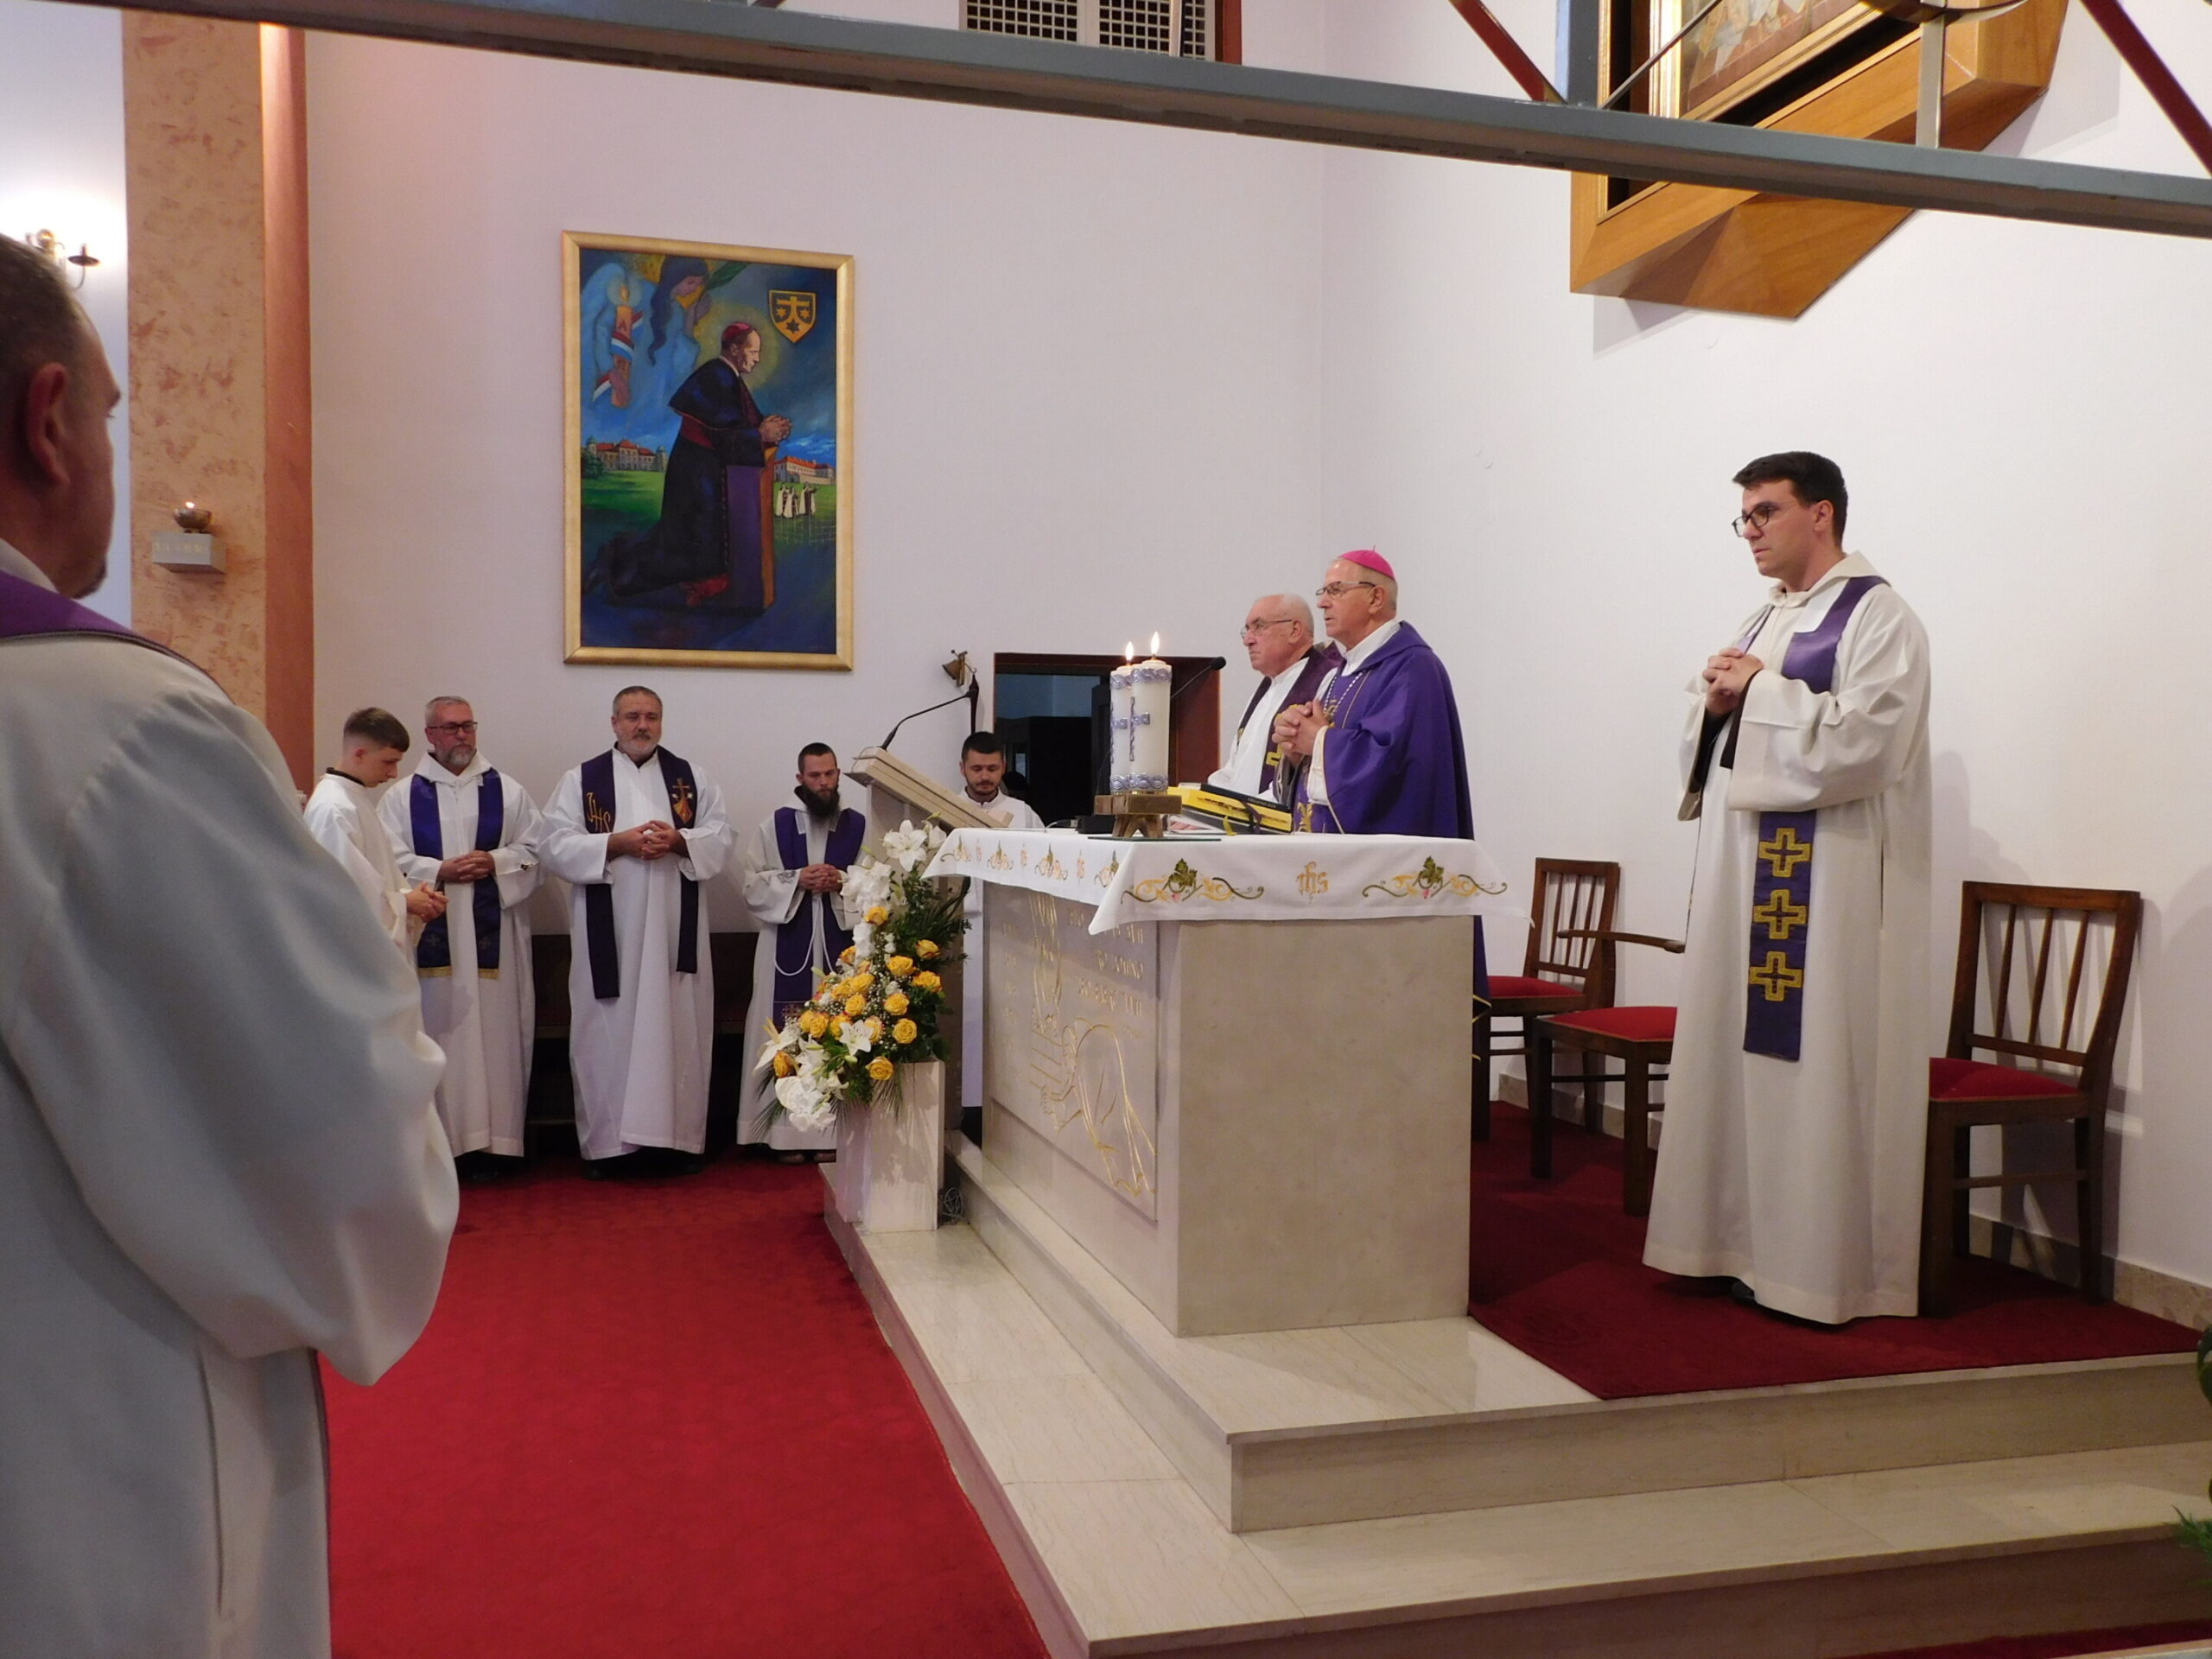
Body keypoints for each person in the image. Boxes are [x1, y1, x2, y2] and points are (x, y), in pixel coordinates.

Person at [0, 232, 454, 1656]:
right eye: (113, 416)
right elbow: (343, 1176)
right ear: (48, 422)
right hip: (78, 1468)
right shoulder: (109, 730)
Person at [1643, 451, 1932, 1326]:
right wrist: (1715, 703)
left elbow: (1868, 744)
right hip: (1748, 880)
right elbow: (1717, 735)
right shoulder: (1766, 615)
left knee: (1817, 1069)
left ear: (1822, 513)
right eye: (1744, 517)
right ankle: (1735, 1245)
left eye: (1765, 512)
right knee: (1734, 1058)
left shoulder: (1880, 617)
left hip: (1831, 882)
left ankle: (1815, 1272)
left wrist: (1760, 690)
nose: (1751, 532)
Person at [538, 685, 734, 1176]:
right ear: (614, 723)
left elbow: (721, 837)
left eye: (651, 716)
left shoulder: (692, 779)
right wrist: (615, 843)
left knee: (678, 1027)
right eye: (632, 716)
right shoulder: (581, 780)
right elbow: (553, 845)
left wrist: (680, 841)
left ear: (661, 721)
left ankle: (677, 1141)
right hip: (612, 937)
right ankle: (609, 1147)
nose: (642, 725)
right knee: (607, 1030)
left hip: (673, 938)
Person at [379, 696, 545, 1168]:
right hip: (432, 941)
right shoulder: (401, 797)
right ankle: (445, 1149)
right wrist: (439, 870)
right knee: (439, 1032)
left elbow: (538, 851)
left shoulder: (508, 792)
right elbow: (386, 861)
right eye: (450, 728)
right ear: (429, 734)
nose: (461, 735)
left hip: (497, 945)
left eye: (468, 726)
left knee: (497, 1034)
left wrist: (495, 861)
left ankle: (499, 1143)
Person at [592, 319, 791, 613]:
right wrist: (760, 435)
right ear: (735, 350)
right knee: (681, 546)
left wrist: (767, 429)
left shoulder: (729, 377)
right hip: (697, 474)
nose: (757, 359)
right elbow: (721, 436)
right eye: (753, 352)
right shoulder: (715, 376)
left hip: (707, 471)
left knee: (692, 542)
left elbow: (738, 424)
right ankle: (616, 568)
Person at [1274, 550, 1473, 838]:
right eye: (1323, 591)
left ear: (1375, 598)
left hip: (1387, 855)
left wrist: (1318, 741)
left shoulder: (1412, 668)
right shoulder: (1337, 675)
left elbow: (1392, 765)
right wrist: (1297, 749)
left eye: (1336, 590)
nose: (1322, 602)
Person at [740, 743, 869, 1160]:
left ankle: (833, 1136)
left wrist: (842, 881)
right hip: (786, 949)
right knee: (784, 1035)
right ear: (800, 779)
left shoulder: (859, 826)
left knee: (838, 1033)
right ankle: (784, 1136)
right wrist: (796, 879)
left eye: (830, 774)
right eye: (815, 776)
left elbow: (878, 883)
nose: (823, 783)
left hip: (841, 953)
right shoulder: (774, 826)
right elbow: (752, 885)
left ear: (838, 775)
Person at [305, 707, 446, 954]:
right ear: (359, 754)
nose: (393, 773)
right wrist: (405, 902)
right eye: (389, 762)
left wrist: (413, 896)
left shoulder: (354, 798)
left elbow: (377, 875)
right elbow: (343, 898)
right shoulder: (334, 807)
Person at [1210, 594, 1335, 801]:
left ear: (1295, 631)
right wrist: (1204, 803)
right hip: (1242, 818)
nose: (1248, 640)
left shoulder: (1327, 681)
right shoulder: (1265, 690)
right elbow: (1234, 770)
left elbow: (1309, 772)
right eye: (1247, 630)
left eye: (1259, 627)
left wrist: (1246, 811)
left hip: (1280, 818)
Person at [960, 730, 1044, 829]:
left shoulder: (1023, 814)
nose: (985, 777)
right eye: (977, 769)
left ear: (1003, 768)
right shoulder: (948, 810)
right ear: (963, 768)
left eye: (992, 769)